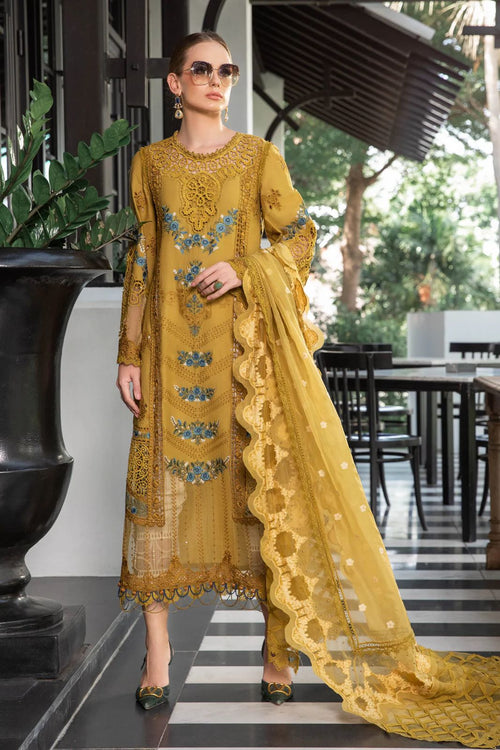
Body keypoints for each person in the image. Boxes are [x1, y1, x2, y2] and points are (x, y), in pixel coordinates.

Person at [117, 31, 500, 747]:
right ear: (174, 83)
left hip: (243, 358)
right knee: (156, 500)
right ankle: (158, 654)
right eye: (201, 69)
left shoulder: (257, 158)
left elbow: (299, 236)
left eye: (227, 70)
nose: (217, 80)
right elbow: (144, 258)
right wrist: (127, 353)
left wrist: (244, 269)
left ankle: (278, 648)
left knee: (262, 497)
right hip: (167, 359)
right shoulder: (150, 163)